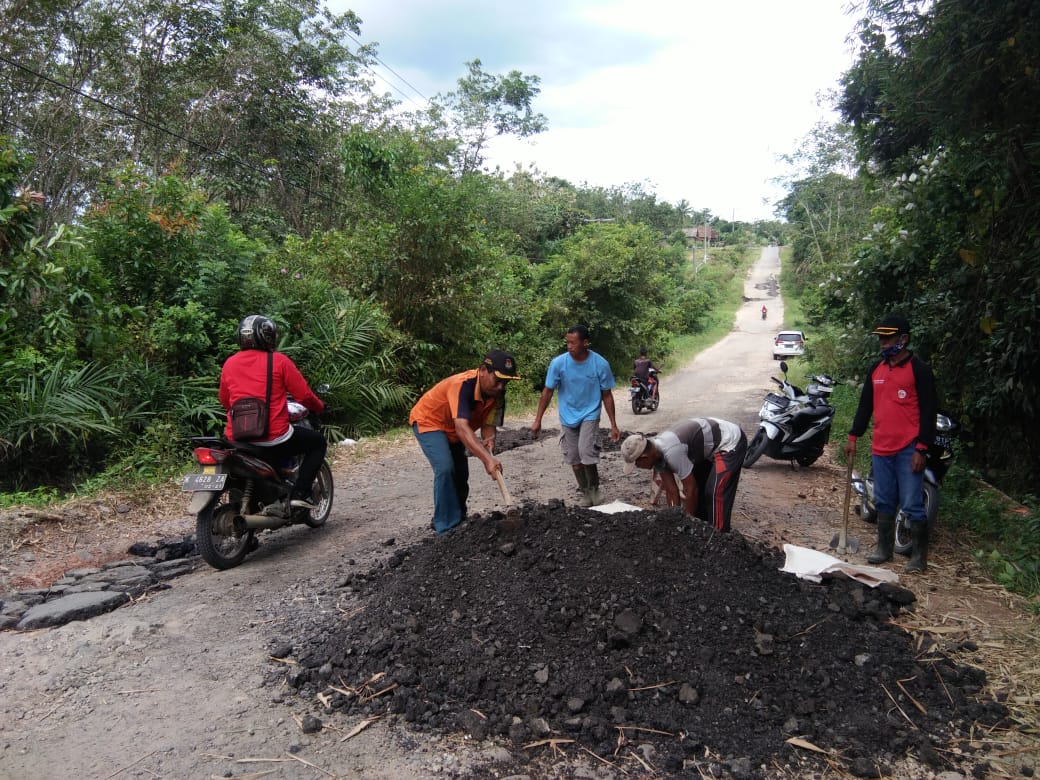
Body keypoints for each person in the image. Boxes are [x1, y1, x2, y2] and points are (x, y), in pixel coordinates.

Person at [843, 314, 937, 572]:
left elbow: (929, 411)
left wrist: (922, 448)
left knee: (911, 503)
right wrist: (853, 435)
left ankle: (918, 557)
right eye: (881, 339)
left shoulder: (919, 370)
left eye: (888, 338)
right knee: (883, 501)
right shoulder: (876, 369)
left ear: (903, 339)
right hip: (881, 446)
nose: (883, 343)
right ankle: (884, 549)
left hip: (909, 448)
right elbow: (865, 406)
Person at [219, 315, 327, 512]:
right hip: (274, 437)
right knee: (318, 442)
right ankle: (300, 494)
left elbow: (225, 401)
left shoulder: (230, 363)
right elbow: (303, 395)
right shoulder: (279, 361)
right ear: (268, 337)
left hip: (237, 438)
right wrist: (319, 406)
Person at [410, 350, 521, 534]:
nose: (501, 387)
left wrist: (489, 439)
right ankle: (445, 527)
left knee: (461, 472)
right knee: (445, 468)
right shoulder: (462, 385)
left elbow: (489, 423)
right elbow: (462, 427)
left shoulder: (498, 395)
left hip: (454, 429)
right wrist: (487, 460)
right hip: (430, 421)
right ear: (484, 370)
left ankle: (458, 518)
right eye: (498, 380)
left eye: (506, 382)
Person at [532, 325, 620, 506]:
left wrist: (613, 424)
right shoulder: (558, 364)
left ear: (585, 342)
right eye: (567, 342)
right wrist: (538, 419)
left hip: (590, 412)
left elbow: (607, 395)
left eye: (573, 342)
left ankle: (595, 490)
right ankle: (585, 492)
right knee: (573, 457)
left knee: (586, 452)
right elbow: (547, 392)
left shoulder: (600, 364)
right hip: (567, 414)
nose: (569, 346)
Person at [620, 417, 747, 532]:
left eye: (636, 464)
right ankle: (702, 526)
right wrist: (674, 520)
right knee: (700, 488)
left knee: (714, 491)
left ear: (644, 457)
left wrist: (687, 524)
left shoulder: (671, 452)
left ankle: (719, 536)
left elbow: (691, 490)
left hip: (729, 441)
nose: (637, 467)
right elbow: (671, 490)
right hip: (705, 449)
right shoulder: (655, 453)